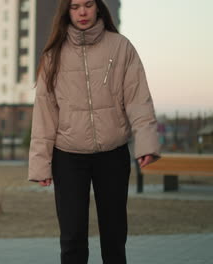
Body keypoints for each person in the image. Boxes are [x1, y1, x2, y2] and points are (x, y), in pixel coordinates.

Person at [28, 0, 161, 263]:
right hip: (68, 157)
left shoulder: (121, 47)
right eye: (75, 6)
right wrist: (40, 165)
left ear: (98, 7)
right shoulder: (53, 56)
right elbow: (44, 114)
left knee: (114, 238)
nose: (82, 12)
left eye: (88, 4)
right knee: (72, 239)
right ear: (67, 11)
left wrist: (146, 143)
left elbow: (138, 99)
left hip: (112, 156)